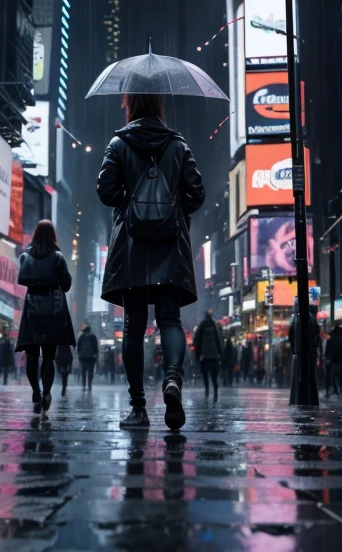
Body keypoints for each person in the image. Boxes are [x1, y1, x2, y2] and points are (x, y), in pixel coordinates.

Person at [97, 92, 205, 430]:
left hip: (131, 248)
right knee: (170, 321)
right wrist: (171, 207)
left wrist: (129, 203)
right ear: (158, 107)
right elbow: (197, 192)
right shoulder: (178, 145)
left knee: (133, 325)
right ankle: (172, 378)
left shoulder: (118, 143)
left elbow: (105, 190)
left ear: (130, 106)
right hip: (170, 246)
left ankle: (138, 408)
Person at [16, 219, 75, 415]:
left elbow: (22, 279)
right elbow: (66, 285)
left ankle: (36, 391)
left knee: (32, 355)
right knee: (49, 356)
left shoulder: (25, 256)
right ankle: (47, 392)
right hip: (53, 311)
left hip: (32, 311)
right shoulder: (58, 257)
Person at [194, 311, 223, 402]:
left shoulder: (202, 326)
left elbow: (196, 341)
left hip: (204, 356)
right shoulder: (214, 326)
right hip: (214, 356)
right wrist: (220, 354)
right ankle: (215, 391)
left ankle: (207, 391)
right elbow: (218, 341)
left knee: (205, 375)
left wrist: (198, 355)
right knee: (214, 377)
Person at [325, 322, 342, 399]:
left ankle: (338, 391)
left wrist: (328, 356)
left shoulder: (331, 335)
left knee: (335, 377)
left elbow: (328, 347)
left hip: (334, 360)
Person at [77, 322, 99, 391]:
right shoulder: (93, 337)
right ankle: (89, 385)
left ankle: (84, 385)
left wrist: (79, 354)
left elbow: (78, 347)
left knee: (83, 372)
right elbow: (95, 347)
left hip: (83, 357)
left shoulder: (81, 337)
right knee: (90, 372)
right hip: (91, 357)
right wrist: (96, 355)